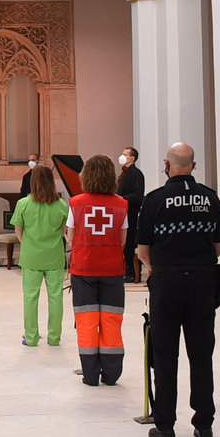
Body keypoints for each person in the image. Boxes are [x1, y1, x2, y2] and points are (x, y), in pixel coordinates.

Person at [132, 142, 220, 437]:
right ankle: (204, 423)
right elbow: (216, 246)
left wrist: (159, 268)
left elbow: (143, 250)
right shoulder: (211, 199)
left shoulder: (155, 200)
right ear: (194, 166)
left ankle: (165, 425)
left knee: (165, 354)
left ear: (166, 164)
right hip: (202, 282)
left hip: (167, 282)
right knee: (201, 354)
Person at [66, 153, 129, 385]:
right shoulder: (122, 204)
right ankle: (112, 374)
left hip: (83, 270)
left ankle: (91, 375)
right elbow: (123, 240)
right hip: (112, 270)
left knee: (87, 322)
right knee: (112, 321)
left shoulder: (76, 203)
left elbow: (71, 237)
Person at [12, 164, 68, 348]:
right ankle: (54, 337)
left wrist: (28, 243)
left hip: (31, 255)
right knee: (56, 297)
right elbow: (63, 231)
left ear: (32, 182)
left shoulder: (23, 203)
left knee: (30, 297)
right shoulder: (61, 205)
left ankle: (31, 337)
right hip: (54, 255)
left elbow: (18, 230)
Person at [117, 147, 145, 281]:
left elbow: (138, 195)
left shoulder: (136, 174)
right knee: (124, 242)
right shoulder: (125, 173)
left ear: (132, 158)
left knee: (129, 244)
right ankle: (125, 269)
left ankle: (132, 272)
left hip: (131, 214)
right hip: (123, 213)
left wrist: (121, 198)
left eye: (124, 154)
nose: (121, 156)